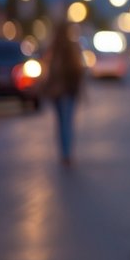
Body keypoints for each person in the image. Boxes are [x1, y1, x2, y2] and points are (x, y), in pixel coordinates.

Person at [42, 20, 85, 167]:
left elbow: (50, 71)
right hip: (66, 90)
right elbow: (78, 70)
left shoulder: (56, 49)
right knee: (66, 122)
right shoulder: (70, 49)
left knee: (62, 123)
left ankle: (65, 152)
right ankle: (66, 153)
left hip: (61, 91)